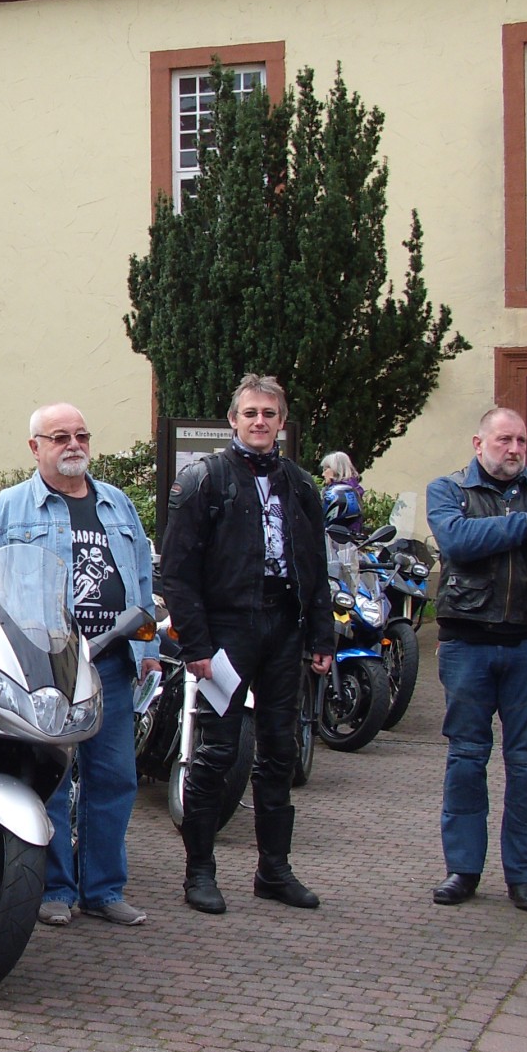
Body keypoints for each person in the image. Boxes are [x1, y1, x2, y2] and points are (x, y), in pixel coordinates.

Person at [0, 402, 159, 927]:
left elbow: (142, 582)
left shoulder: (118, 504)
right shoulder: (8, 509)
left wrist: (147, 653)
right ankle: (54, 889)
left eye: (81, 435)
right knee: (48, 778)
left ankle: (104, 889)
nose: (73, 445)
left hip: (112, 664)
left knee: (114, 778)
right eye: (59, 437)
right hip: (45, 668)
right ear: (35, 448)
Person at [157, 373, 335, 913]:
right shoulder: (204, 480)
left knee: (280, 752)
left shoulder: (300, 485)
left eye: (269, 414)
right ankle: (199, 873)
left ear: (282, 422)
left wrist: (322, 634)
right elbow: (177, 572)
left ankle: (274, 871)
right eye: (250, 413)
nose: (260, 422)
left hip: (284, 628)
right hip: (226, 632)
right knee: (216, 753)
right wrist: (195, 644)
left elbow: (316, 565)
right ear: (233, 420)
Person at [424, 409, 527, 912]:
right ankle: (463, 869)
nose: (515, 449)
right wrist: (525, 525)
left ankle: (526, 876)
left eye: (521, 441)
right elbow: (457, 541)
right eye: (505, 439)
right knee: (466, 758)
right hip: (467, 644)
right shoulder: (449, 491)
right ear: (479, 443)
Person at [319, 451, 368, 542]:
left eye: (325, 469)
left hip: (336, 543)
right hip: (350, 543)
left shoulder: (336, 493)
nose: (323, 474)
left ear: (335, 469)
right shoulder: (354, 491)